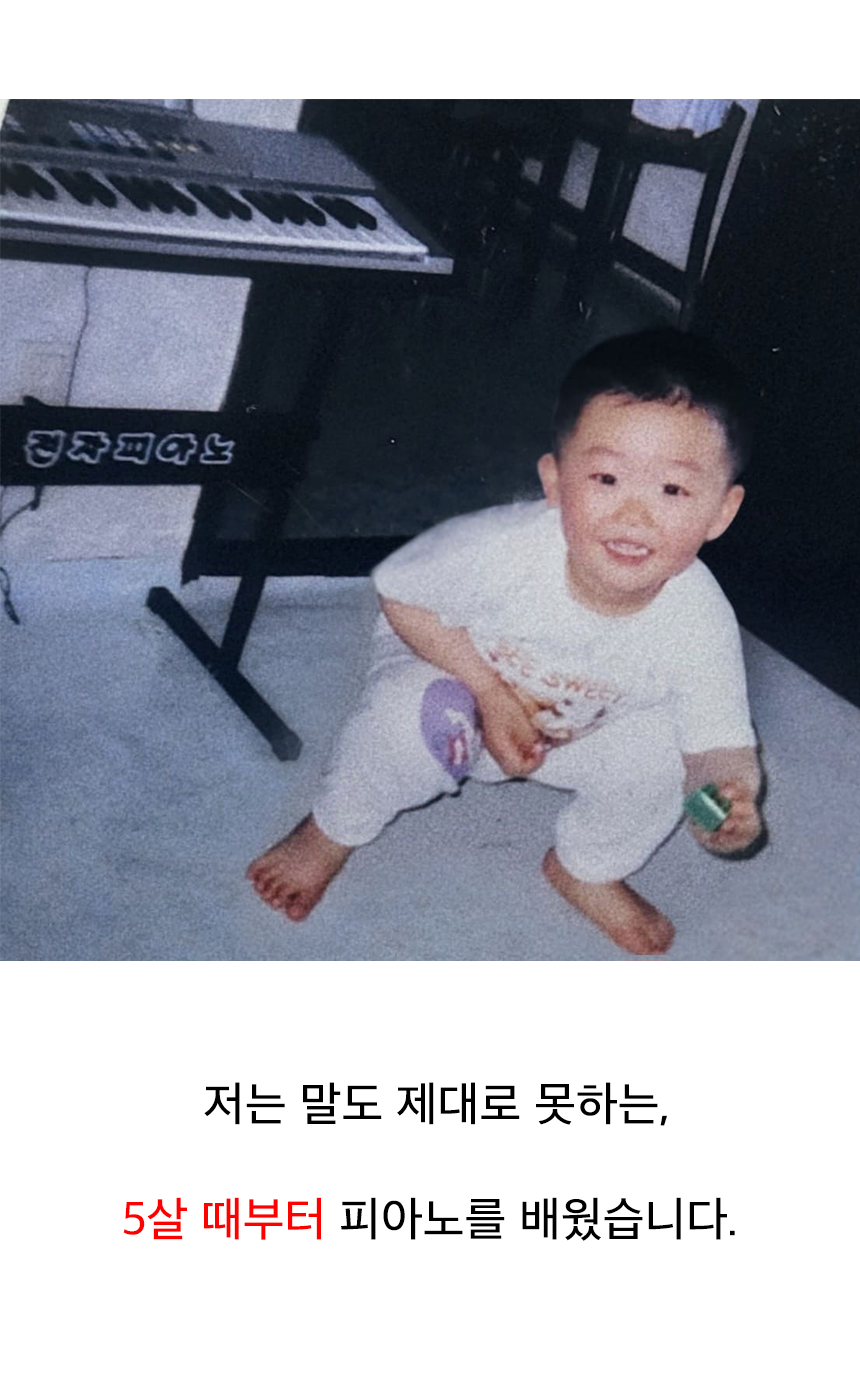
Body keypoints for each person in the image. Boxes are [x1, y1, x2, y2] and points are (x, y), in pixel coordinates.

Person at [247, 328, 765, 955]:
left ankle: (587, 868)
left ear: (721, 513)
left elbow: (717, 744)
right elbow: (401, 594)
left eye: (673, 490)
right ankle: (332, 829)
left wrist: (725, 800)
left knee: (666, 755)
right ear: (555, 483)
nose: (634, 515)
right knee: (406, 720)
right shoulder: (503, 548)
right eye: (606, 479)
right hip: (458, 680)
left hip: (580, 726)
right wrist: (491, 695)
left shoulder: (701, 619)